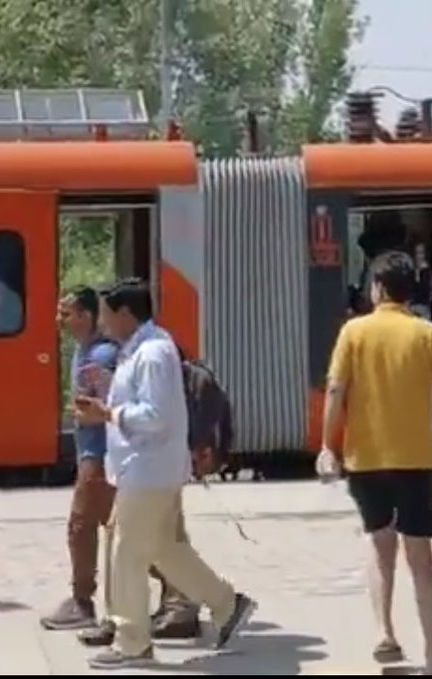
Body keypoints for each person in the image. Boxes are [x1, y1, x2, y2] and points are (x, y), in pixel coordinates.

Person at [72, 278, 255, 669]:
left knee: (127, 554)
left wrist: (107, 413)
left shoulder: (153, 352)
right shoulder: (137, 350)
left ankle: (132, 640)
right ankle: (227, 604)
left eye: (105, 314)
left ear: (124, 314)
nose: (102, 323)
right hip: (143, 469)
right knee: (164, 549)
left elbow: (156, 417)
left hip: (149, 471)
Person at [317, 251, 432, 676]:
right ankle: (430, 658)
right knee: (420, 556)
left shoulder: (354, 332)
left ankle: (384, 633)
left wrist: (326, 446)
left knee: (379, 543)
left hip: (365, 458)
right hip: (415, 459)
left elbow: (335, 391)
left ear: (379, 288)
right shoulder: (430, 335)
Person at [42, 287, 120, 631]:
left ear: (86, 316)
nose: (59, 320)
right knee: (126, 533)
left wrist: (83, 414)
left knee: (80, 526)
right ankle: (179, 596)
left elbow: (101, 410)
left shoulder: (99, 356)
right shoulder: (83, 351)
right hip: (95, 452)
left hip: (99, 455)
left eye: (66, 313)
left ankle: (81, 601)